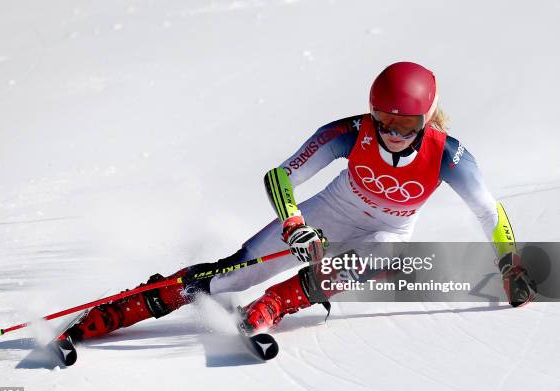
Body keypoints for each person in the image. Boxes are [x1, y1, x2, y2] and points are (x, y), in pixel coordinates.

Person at [65, 61, 537, 342]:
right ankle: (128, 307)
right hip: (329, 213)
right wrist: (293, 223)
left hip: (386, 232)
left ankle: (275, 305)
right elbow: (281, 175)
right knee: (232, 275)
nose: (391, 135)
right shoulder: (349, 132)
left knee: (382, 258)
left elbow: (489, 212)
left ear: (426, 120)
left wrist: (509, 265)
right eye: (382, 121)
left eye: (405, 126)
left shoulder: (449, 155)